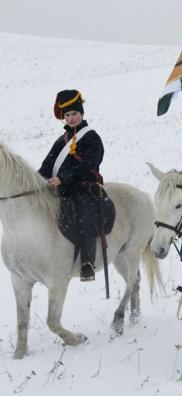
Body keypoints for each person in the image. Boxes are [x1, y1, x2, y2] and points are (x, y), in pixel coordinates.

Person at [38, 90, 104, 281]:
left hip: (83, 188)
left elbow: (88, 164)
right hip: (60, 189)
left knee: (85, 215)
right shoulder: (61, 141)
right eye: (67, 115)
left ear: (82, 114)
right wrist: (38, 180)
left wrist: (63, 178)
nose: (72, 118)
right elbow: (47, 165)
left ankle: (87, 263)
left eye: (75, 114)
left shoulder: (92, 137)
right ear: (63, 118)